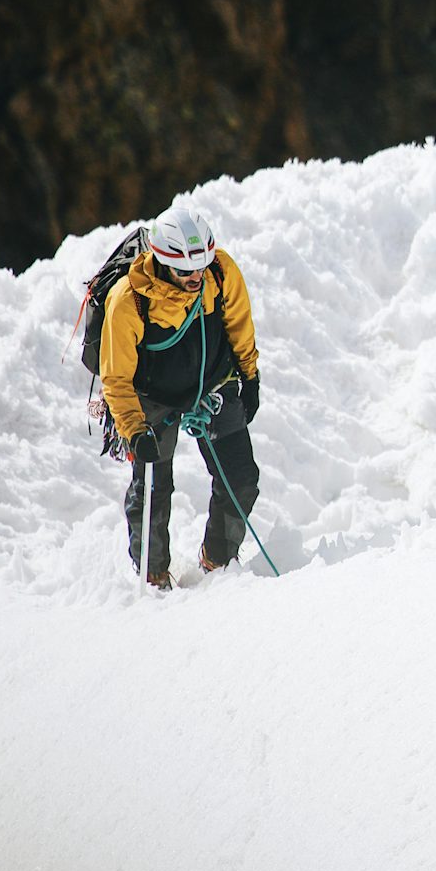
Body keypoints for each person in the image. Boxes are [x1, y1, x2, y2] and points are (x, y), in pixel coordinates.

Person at [99, 204, 263, 588]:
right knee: (152, 492)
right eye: (185, 271)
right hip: (150, 399)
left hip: (212, 384)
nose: (196, 277)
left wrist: (250, 375)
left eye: (200, 267)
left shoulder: (220, 271)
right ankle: (153, 575)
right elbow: (116, 378)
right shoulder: (128, 301)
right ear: (163, 261)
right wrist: (134, 431)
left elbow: (239, 323)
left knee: (240, 478)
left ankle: (218, 561)